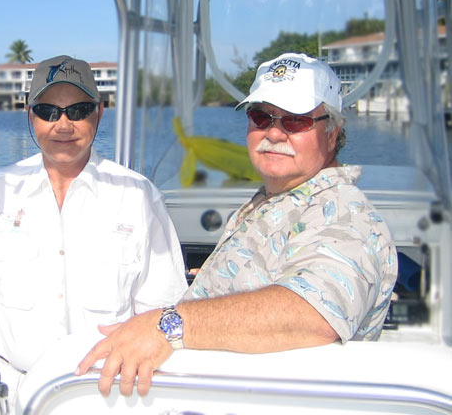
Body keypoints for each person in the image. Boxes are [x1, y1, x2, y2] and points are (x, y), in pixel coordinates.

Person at [76, 52, 398, 396]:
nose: (274, 133)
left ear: (332, 133)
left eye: (296, 121)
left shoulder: (347, 217)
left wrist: (167, 325)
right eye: (262, 117)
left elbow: (313, 314)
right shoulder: (279, 198)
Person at [0, 55, 188, 402]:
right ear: (30, 115)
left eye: (77, 110)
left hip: (105, 392)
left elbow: (159, 314)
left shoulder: (139, 197)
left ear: (99, 113)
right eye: (48, 111)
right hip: (6, 392)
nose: (63, 125)